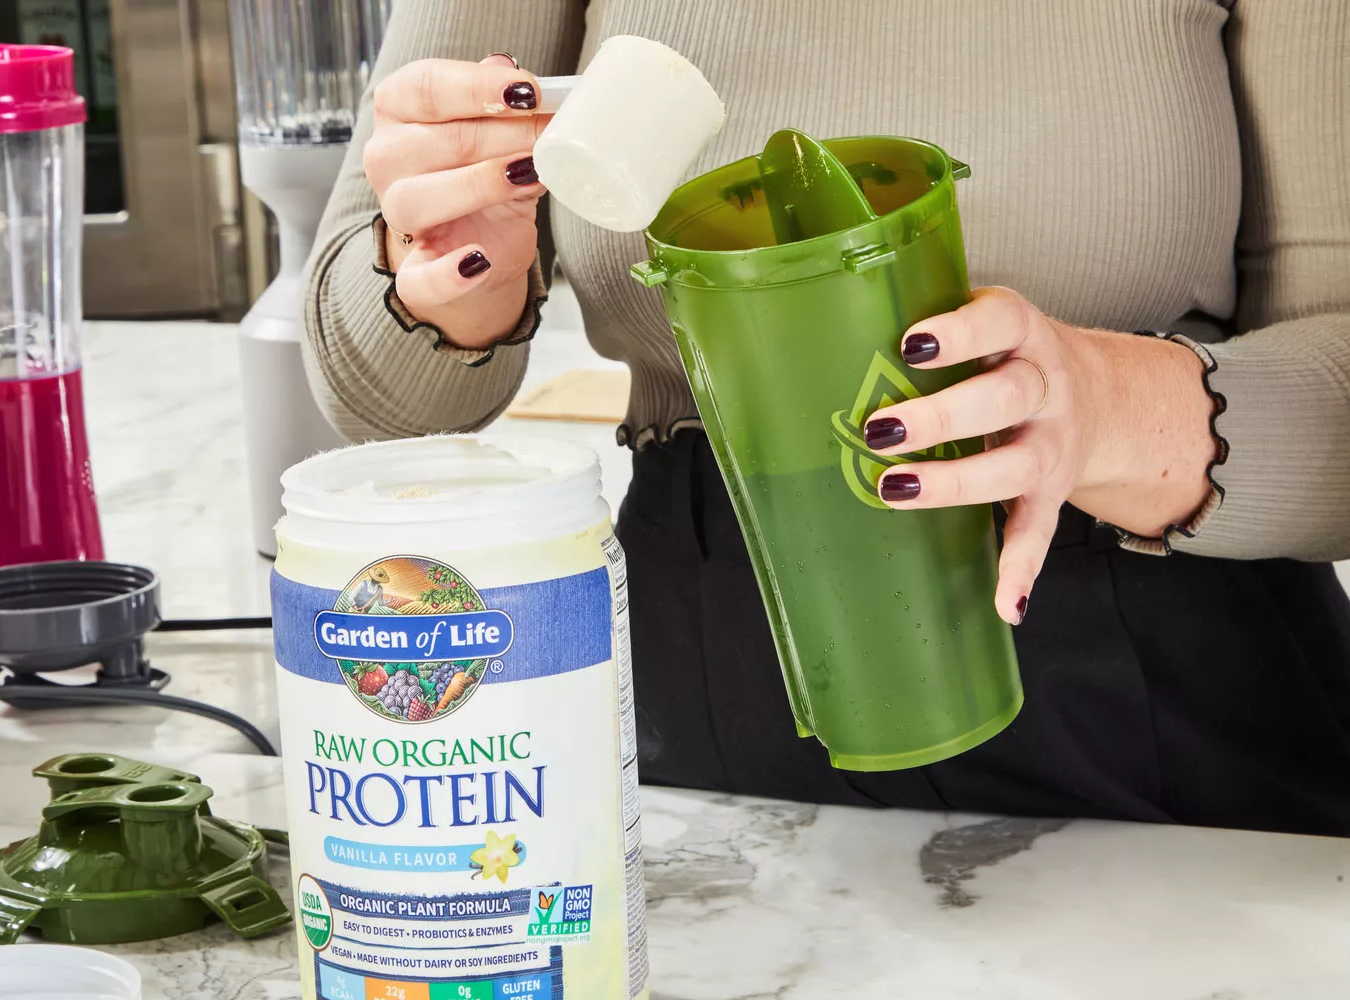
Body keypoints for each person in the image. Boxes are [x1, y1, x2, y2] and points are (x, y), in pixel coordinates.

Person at [300, 0, 1350, 837]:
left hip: (1166, 709)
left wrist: (1108, 403)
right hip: (697, 688)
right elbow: (382, 398)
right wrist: (445, 271)